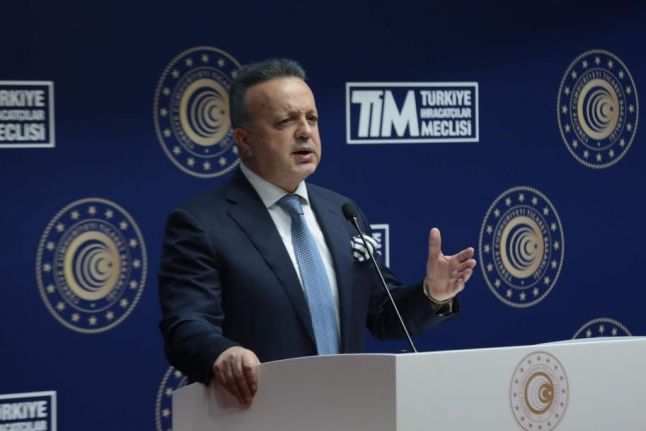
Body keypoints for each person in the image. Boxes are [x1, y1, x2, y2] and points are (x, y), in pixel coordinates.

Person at [158, 58, 477, 407]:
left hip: (347, 413)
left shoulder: (342, 213)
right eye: (285, 121)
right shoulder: (201, 223)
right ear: (244, 140)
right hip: (260, 414)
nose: (305, 132)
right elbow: (186, 326)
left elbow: (385, 316)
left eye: (311, 118)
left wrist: (434, 294)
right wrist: (223, 353)